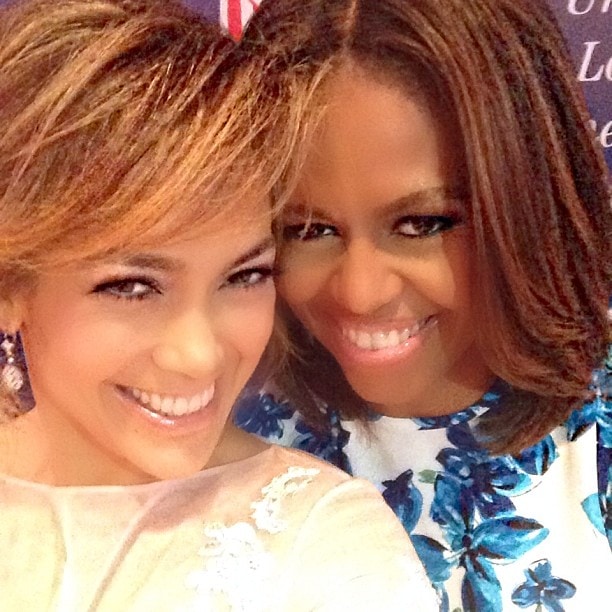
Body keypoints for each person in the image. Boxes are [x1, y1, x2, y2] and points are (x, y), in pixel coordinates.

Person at [0, 1, 438, 609]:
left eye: (245, 275)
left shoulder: (327, 544)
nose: (199, 355)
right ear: (10, 289)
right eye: (132, 287)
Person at [234, 0, 612, 610]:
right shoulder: (222, 435)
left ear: (527, 202)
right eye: (307, 229)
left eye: (423, 223)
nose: (360, 292)